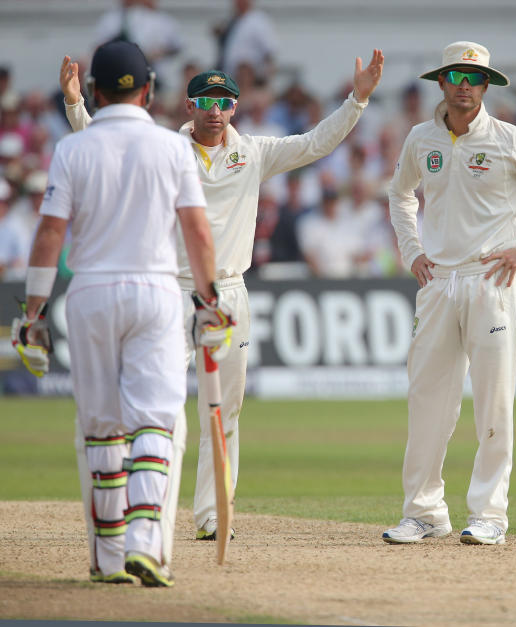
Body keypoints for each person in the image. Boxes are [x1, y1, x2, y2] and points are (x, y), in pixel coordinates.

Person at [60, 48, 385, 541]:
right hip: (171, 292)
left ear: (235, 108)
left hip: (229, 294)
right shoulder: (165, 148)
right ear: (189, 107)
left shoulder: (253, 152)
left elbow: (316, 143)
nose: (216, 109)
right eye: (206, 100)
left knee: (223, 411)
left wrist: (357, 99)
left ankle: (212, 512)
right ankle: (149, 505)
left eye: (224, 101)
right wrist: (75, 105)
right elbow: (106, 148)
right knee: (156, 405)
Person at [10, 40, 230, 587]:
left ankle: (109, 557)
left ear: (94, 91)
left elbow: (50, 233)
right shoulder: (171, 148)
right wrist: (209, 302)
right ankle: (144, 545)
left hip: (90, 293)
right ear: (150, 91)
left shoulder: (73, 149)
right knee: (155, 421)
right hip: (156, 291)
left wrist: (33, 311)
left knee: (103, 427)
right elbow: (197, 231)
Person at [384, 41, 516, 546]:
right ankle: (424, 512)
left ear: (487, 85)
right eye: (456, 76)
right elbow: (399, 193)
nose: (465, 86)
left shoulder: (510, 139)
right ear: (442, 82)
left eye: (474, 78)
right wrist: (411, 250)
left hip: (492, 283)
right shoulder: (420, 138)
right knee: (428, 401)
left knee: (493, 403)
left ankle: (490, 514)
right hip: (437, 284)